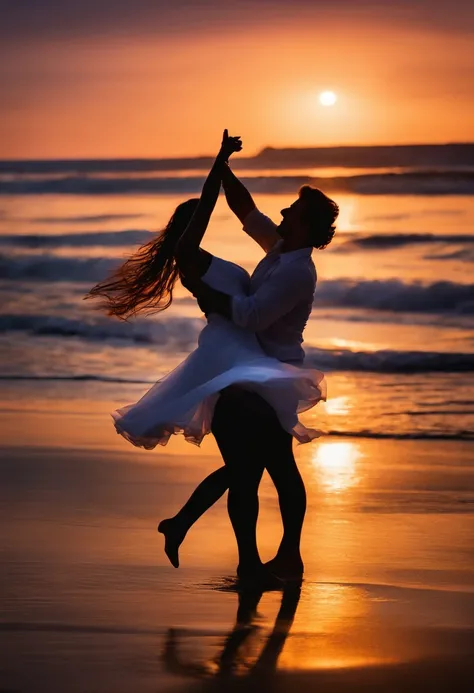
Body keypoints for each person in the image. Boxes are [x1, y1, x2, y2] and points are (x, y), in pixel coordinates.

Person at [85, 130, 337, 584]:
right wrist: (223, 165)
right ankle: (259, 559)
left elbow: (251, 315)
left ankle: (263, 555)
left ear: (304, 225)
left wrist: (206, 296)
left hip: (269, 371)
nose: (281, 212)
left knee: (265, 468)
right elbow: (246, 210)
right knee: (259, 468)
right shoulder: (282, 249)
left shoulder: (297, 269)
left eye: (292, 211)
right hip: (244, 370)